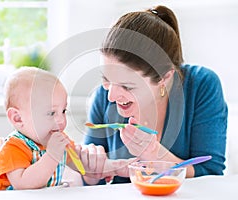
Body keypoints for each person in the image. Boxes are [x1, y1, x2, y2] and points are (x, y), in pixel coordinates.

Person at [82, 5, 228, 185]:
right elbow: (89, 181)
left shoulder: (201, 86)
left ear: (164, 78)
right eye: (106, 79)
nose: (110, 96)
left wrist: (154, 154)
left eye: (126, 86)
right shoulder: (102, 97)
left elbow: (210, 172)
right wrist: (90, 173)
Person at [0, 67, 79, 190]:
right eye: (51, 113)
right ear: (18, 118)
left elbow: (79, 164)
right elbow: (23, 185)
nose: (61, 120)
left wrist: (101, 167)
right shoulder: (12, 148)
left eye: (63, 111)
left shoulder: (57, 140)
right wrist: (52, 155)